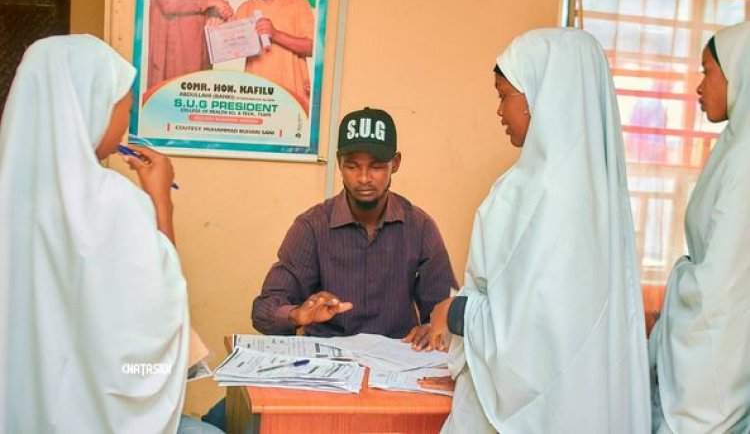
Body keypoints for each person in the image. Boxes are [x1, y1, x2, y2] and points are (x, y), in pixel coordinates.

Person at [426, 28, 651, 433]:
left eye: (503, 95)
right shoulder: (601, 200)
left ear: (541, 96)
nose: (499, 111)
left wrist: (455, 311)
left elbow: (526, 338)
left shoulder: (534, 194)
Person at [0, 35, 219, 433]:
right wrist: (160, 200)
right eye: (124, 109)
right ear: (88, 106)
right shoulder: (109, 200)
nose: (125, 124)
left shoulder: (10, 197)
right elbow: (159, 306)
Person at [201, 107, 458, 430]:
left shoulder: (419, 226)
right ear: (338, 163)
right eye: (352, 166)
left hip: (393, 381)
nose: (364, 178)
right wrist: (298, 316)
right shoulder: (312, 226)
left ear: (396, 163)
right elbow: (264, 310)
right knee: (226, 419)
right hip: (322, 379)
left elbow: (447, 308)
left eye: (377, 166)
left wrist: (438, 324)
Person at [649, 22, 750, 432]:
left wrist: (681, 289)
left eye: (707, 72)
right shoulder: (732, 147)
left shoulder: (745, 162)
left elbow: (724, 280)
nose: (698, 87)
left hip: (720, 355)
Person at [234, 0, 314, 114]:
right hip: (257, 102)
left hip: (294, 96)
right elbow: (229, 48)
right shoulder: (244, 9)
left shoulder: (298, 2)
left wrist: (275, 34)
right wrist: (218, 27)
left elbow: (312, 48)